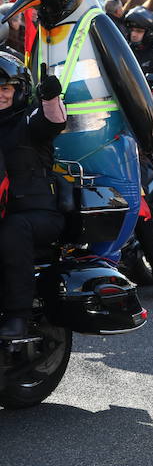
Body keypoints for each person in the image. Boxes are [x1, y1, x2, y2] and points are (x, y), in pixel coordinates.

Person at [0, 54, 67, 339]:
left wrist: (50, 98)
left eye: (5, 88)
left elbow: (52, 122)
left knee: (10, 230)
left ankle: (18, 315)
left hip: (35, 213)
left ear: (19, 91)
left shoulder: (26, 121)